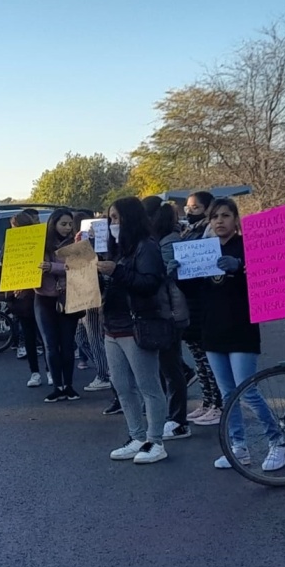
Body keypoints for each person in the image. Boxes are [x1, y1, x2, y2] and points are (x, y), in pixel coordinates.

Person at [171, 197, 285, 469]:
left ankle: (278, 442)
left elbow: (266, 281)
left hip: (241, 327)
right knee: (227, 394)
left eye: (225, 215)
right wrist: (178, 276)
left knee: (247, 390)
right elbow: (196, 293)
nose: (220, 221)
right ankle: (239, 447)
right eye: (215, 217)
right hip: (212, 329)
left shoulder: (248, 247)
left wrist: (240, 268)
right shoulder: (203, 249)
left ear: (236, 219)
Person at [98, 196, 169, 464]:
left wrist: (116, 272)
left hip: (136, 324)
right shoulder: (118, 248)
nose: (112, 223)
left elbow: (149, 284)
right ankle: (137, 436)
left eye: (116, 218)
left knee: (148, 385)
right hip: (112, 326)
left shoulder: (146, 247)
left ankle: (156, 441)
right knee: (122, 386)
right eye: (110, 219)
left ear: (129, 218)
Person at [142, 195, 192, 441]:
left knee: (171, 368)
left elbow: (170, 276)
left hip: (169, 312)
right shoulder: (157, 240)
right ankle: (168, 415)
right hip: (159, 311)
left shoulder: (168, 241)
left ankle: (178, 420)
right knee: (165, 367)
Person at [178, 190, 223, 425]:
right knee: (198, 356)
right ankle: (207, 401)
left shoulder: (209, 232)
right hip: (190, 301)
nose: (189, 211)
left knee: (208, 357)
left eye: (195, 207)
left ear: (207, 208)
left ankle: (218, 403)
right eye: (188, 207)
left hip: (203, 301)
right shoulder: (189, 231)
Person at [35, 208, 82, 403]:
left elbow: (80, 267)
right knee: (50, 345)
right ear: (53, 224)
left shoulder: (76, 243)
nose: (67, 228)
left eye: (70, 224)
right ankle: (57, 386)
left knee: (67, 344)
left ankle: (69, 386)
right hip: (43, 299)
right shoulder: (38, 244)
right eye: (63, 224)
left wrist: (52, 267)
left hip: (68, 298)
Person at [72, 210, 112, 392]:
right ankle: (107, 370)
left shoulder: (106, 244)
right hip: (83, 293)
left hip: (94, 293)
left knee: (93, 335)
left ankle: (105, 374)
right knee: (80, 337)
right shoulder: (81, 243)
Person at [8, 212, 49, 387]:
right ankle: (35, 372)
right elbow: (8, 269)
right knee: (30, 337)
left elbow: (42, 267)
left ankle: (49, 370)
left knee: (45, 336)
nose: (13, 229)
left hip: (39, 295)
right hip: (22, 301)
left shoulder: (39, 242)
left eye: (15, 226)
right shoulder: (10, 245)